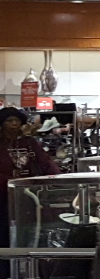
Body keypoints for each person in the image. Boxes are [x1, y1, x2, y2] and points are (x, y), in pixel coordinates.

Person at [1, 106, 59, 265]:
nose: (14, 124)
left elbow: (45, 162)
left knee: (30, 231)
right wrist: (10, 182)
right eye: (9, 121)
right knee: (4, 233)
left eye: (16, 120)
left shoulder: (29, 142)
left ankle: (29, 266)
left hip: (30, 194)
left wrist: (56, 177)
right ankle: (6, 269)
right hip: (3, 196)